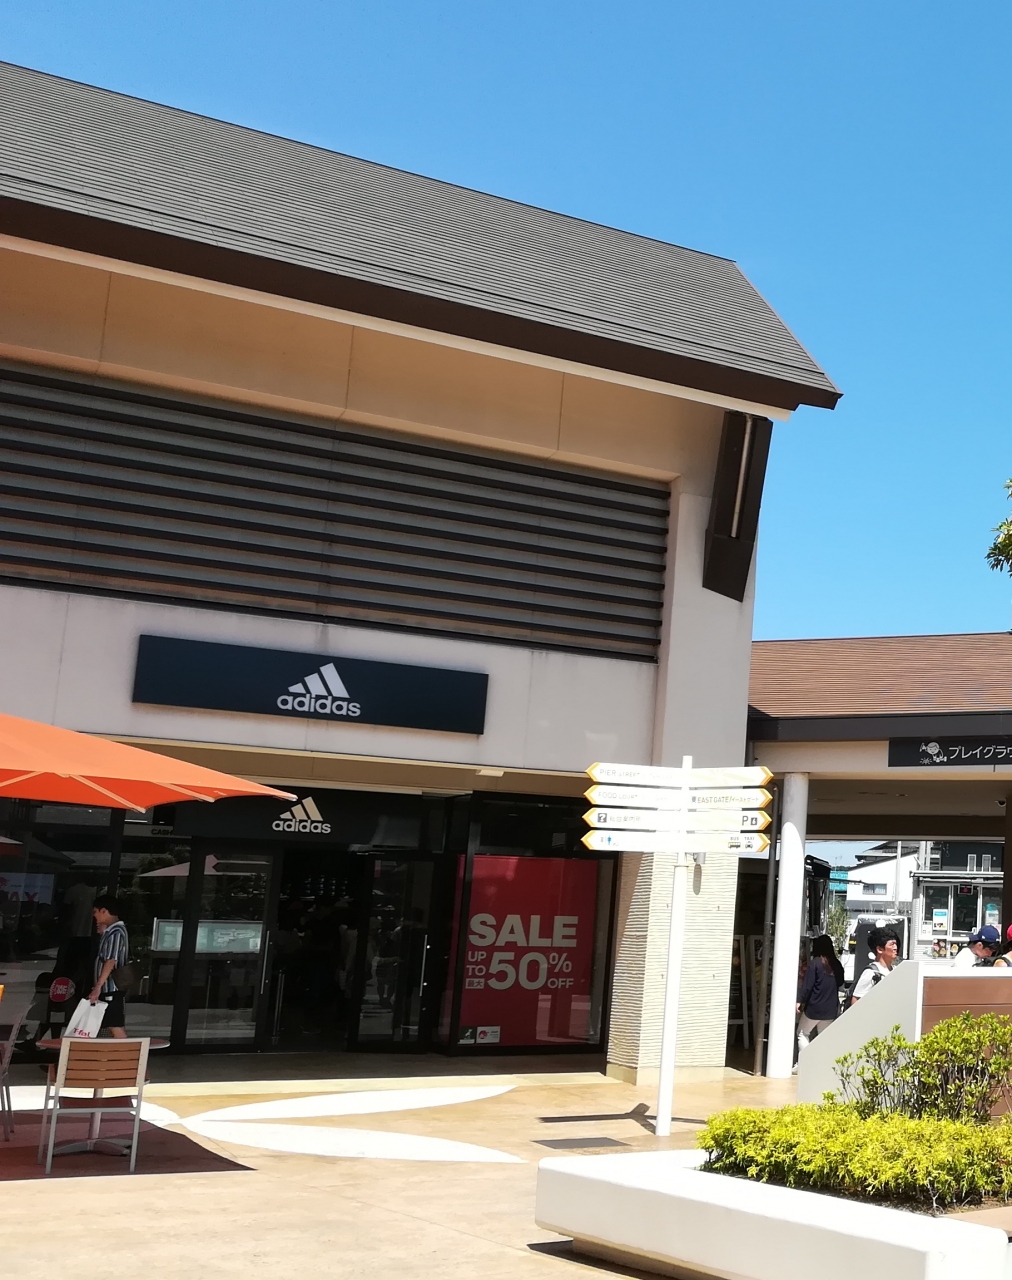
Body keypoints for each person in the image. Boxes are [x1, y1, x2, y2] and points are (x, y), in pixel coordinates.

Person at [88, 895, 129, 1038]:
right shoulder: (112, 930)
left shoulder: (116, 932)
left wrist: (98, 986)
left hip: (111, 987)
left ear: (104, 911)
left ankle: (128, 1051)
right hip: (109, 988)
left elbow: (111, 960)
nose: (94, 916)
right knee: (111, 1024)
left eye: (96, 912)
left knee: (114, 1024)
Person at [796, 935, 844, 1052]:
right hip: (830, 1009)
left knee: (802, 1033)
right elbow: (840, 982)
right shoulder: (836, 964)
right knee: (823, 1038)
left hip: (814, 1007)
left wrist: (799, 1001)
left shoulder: (815, 963)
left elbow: (807, 986)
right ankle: (820, 1061)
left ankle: (806, 1059)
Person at [850, 926, 899, 1004]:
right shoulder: (871, 973)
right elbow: (856, 1000)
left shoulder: (896, 970)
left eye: (895, 944)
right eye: (891, 944)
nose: (895, 948)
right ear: (879, 949)